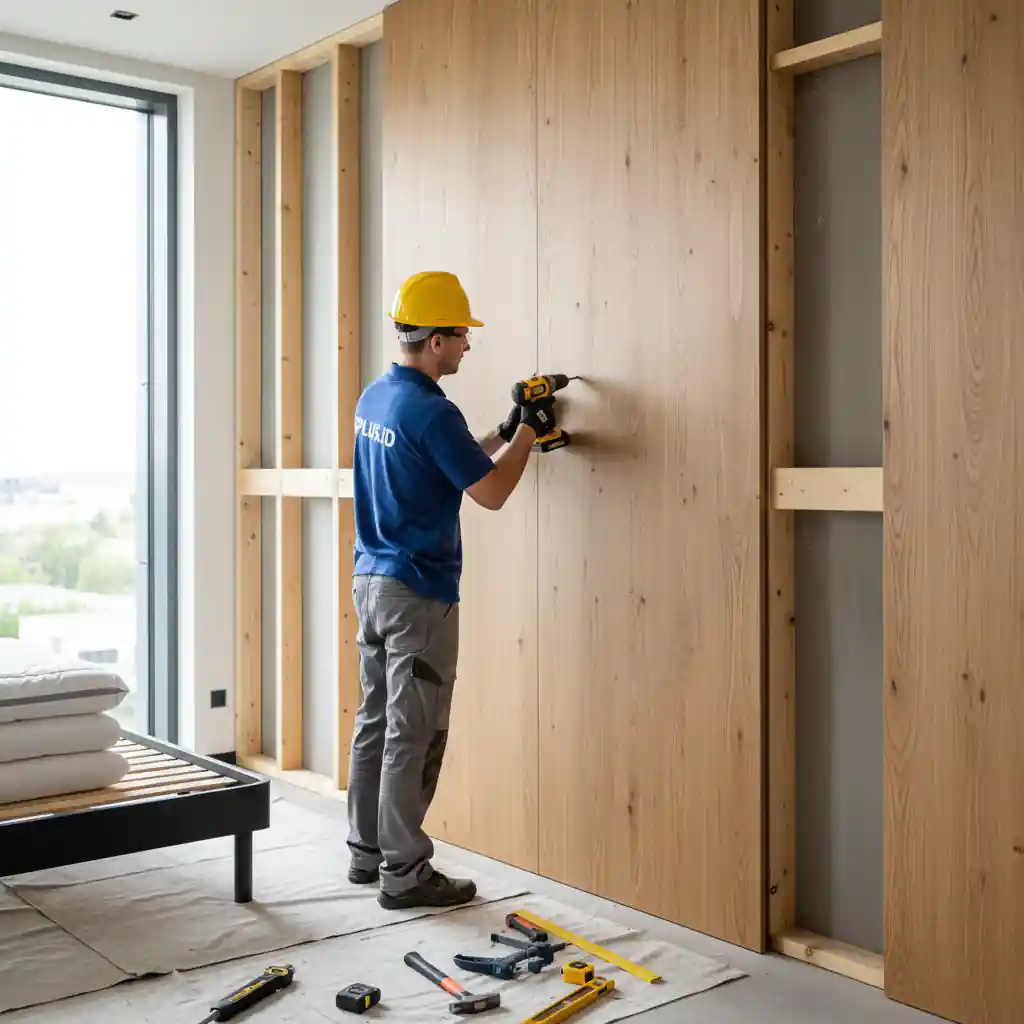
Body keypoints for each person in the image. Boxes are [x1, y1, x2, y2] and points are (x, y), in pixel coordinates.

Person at [345, 270, 557, 909]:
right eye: (461, 336)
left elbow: (448, 460)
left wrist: (505, 426)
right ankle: (405, 872)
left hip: (372, 581)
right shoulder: (434, 409)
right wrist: (530, 433)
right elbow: (489, 493)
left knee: (376, 722)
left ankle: (367, 852)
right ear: (435, 340)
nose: (467, 345)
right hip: (419, 594)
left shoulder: (377, 398)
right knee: (416, 731)